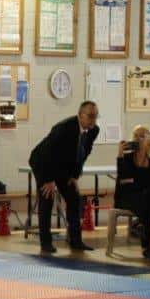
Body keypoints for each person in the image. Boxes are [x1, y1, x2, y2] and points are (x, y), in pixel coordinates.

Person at [28, 101, 100, 254]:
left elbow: (84, 152)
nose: (93, 120)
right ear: (80, 115)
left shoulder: (94, 130)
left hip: (64, 166)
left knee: (74, 198)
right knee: (47, 199)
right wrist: (49, 180)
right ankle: (46, 243)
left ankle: (76, 241)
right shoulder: (63, 128)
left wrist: (74, 175)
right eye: (90, 116)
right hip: (43, 163)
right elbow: (48, 153)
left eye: (96, 116)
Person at [116, 125, 150, 260]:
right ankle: (146, 246)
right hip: (126, 197)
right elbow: (123, 177)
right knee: (148, 201)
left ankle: (141, 229)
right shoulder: (127, 158)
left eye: (142, 136)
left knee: (149, 197)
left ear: (149, 141)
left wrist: (133, 180)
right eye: (135, 136)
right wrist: (120, 154)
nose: (137, 139)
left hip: (144, 198)